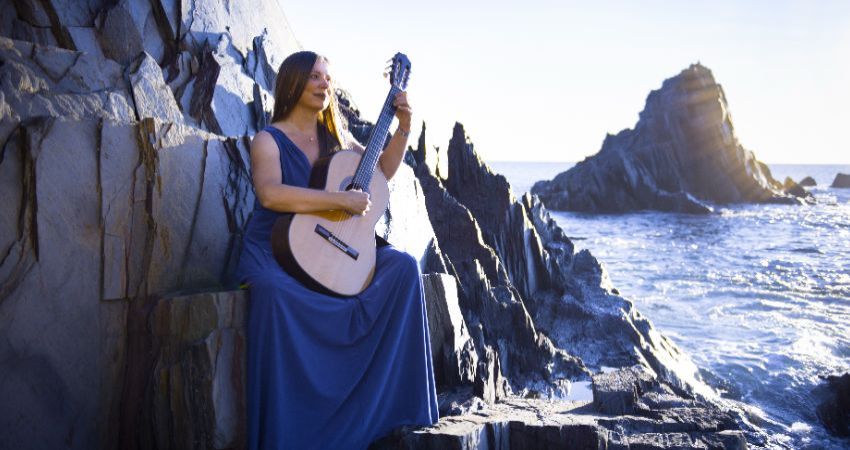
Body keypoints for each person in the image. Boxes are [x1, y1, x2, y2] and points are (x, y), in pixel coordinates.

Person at [236, 50, 439, 450]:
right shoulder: (268, 139)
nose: (324, 83)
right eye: (314, 76)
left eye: (327, 78)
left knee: (401, 268)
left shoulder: (338, 139)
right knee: (274, 295)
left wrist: (403, 128)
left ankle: (394, 412)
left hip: (332, 244)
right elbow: (270, 193)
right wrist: (338, 202)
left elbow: (380, 172)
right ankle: (291, 432)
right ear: (292, 82)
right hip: (277, 248)